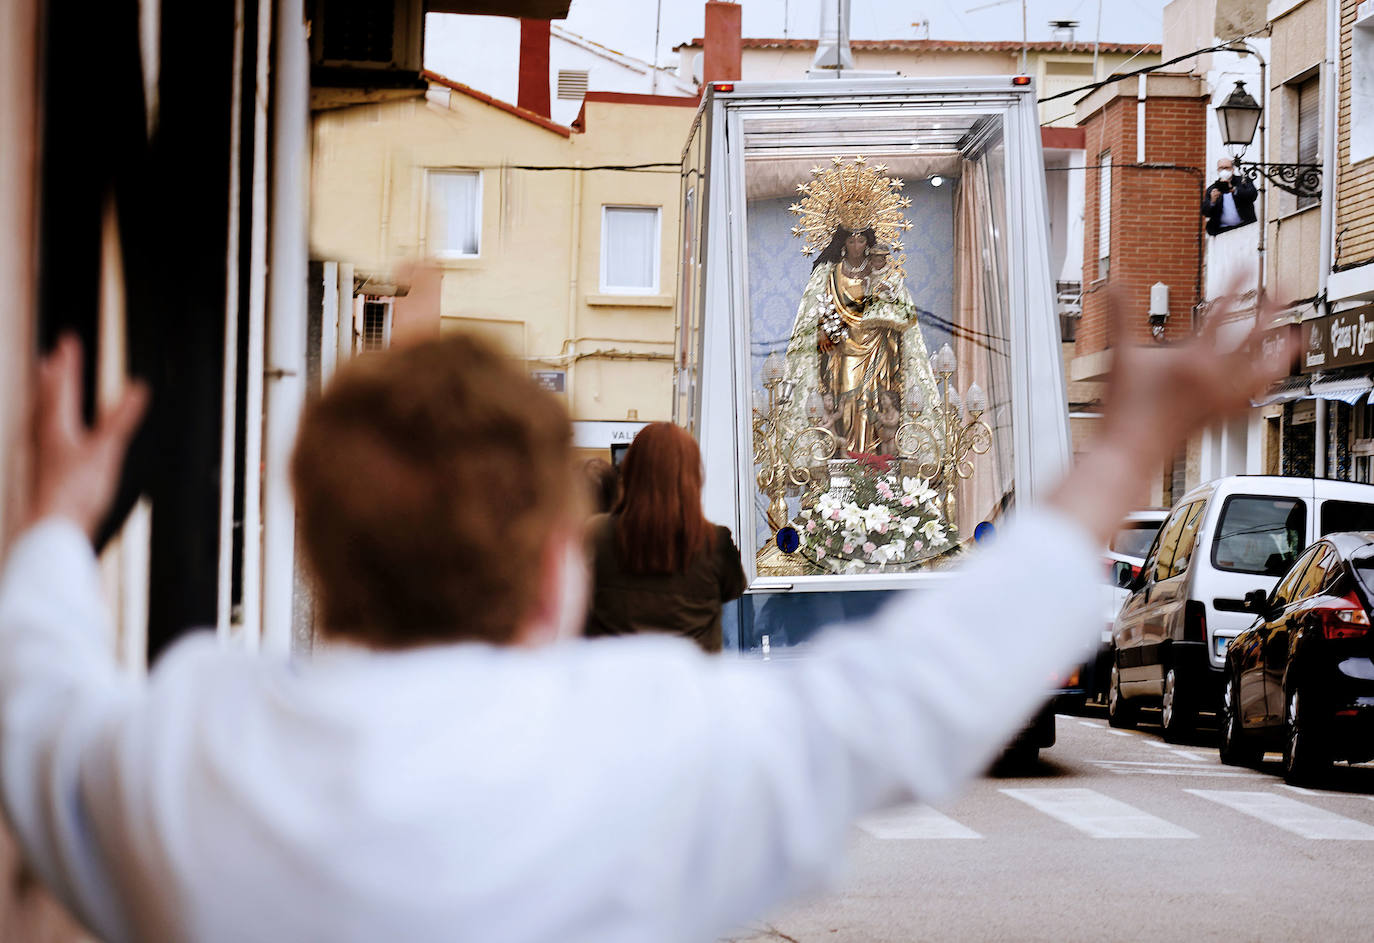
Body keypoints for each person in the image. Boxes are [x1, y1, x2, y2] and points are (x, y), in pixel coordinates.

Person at [0, 287, 1290, 943]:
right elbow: (926, 686)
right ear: (555, 573)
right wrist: (1129, 443)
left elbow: (38, 689)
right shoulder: (649, 750)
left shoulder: (180, 758)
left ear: (320, 561)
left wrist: (57, 521)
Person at [583, 422, 745, 653]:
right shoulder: (715, 542)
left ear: (629, 472)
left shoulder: (597, 534)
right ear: (692, 477)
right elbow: (734, 589)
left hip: (615, 681)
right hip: (694, 682)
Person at [1202, 157, 1258, 236]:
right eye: (1221, 168)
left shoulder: (1243, 181)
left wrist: (1234, 190)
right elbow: (1205, 212)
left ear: (1232, 169)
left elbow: (1253, 195)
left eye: (1226, 168)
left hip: (1244, 227)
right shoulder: (1212, 189)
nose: (1224, 170)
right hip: (1221, 231)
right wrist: (1212, 201)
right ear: (1218, 171)